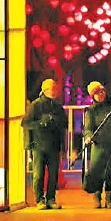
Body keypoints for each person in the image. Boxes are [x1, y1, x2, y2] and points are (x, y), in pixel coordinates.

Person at [22, 78, 67, 210]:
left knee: (53, 175)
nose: (53, 91)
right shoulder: (36, 105)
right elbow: (26, 123)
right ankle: (40, 199)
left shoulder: (58, 106)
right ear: (44, 90)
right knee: (39, 174)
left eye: (55, 88)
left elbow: (64, 123)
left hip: (54, 145)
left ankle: (51, 199)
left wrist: (55, 121)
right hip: (38, 145)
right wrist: (41, 123)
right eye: (50, 88)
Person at [82, 81, 111, 209]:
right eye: (97, 93)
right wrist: (88, 136)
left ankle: (109, 198)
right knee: (97, 171)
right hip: (99, 145)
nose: (101, 94)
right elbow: (88, 128)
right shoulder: (91, 111)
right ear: (92, 96)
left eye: (102, 91)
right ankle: (97, 196)